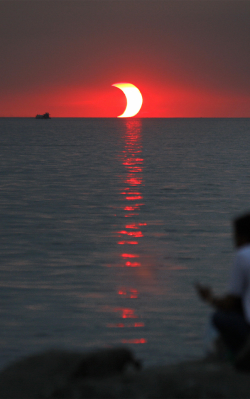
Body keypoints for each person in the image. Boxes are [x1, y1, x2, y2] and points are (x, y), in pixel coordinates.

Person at [195, 213, 250, 369]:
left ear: (243, 237)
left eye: (235, 235)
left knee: (218, 317)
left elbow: (230, 302)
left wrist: (209, 299)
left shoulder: (243, 255)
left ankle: (240, 355)